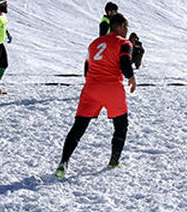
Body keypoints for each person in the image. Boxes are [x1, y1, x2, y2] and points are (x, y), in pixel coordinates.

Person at [54, 12, 138, 177]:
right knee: (121, 126)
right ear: (120, 27)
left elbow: (86, 67)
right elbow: (124, 62)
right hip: (112, 88)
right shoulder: (124, 42)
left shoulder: (94, 44)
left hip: (91, 88)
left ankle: (63, 163)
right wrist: (131, 77)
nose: (127, 30)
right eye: (126, 27)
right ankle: (114, 162)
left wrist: (92, 83)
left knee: (79, 127)